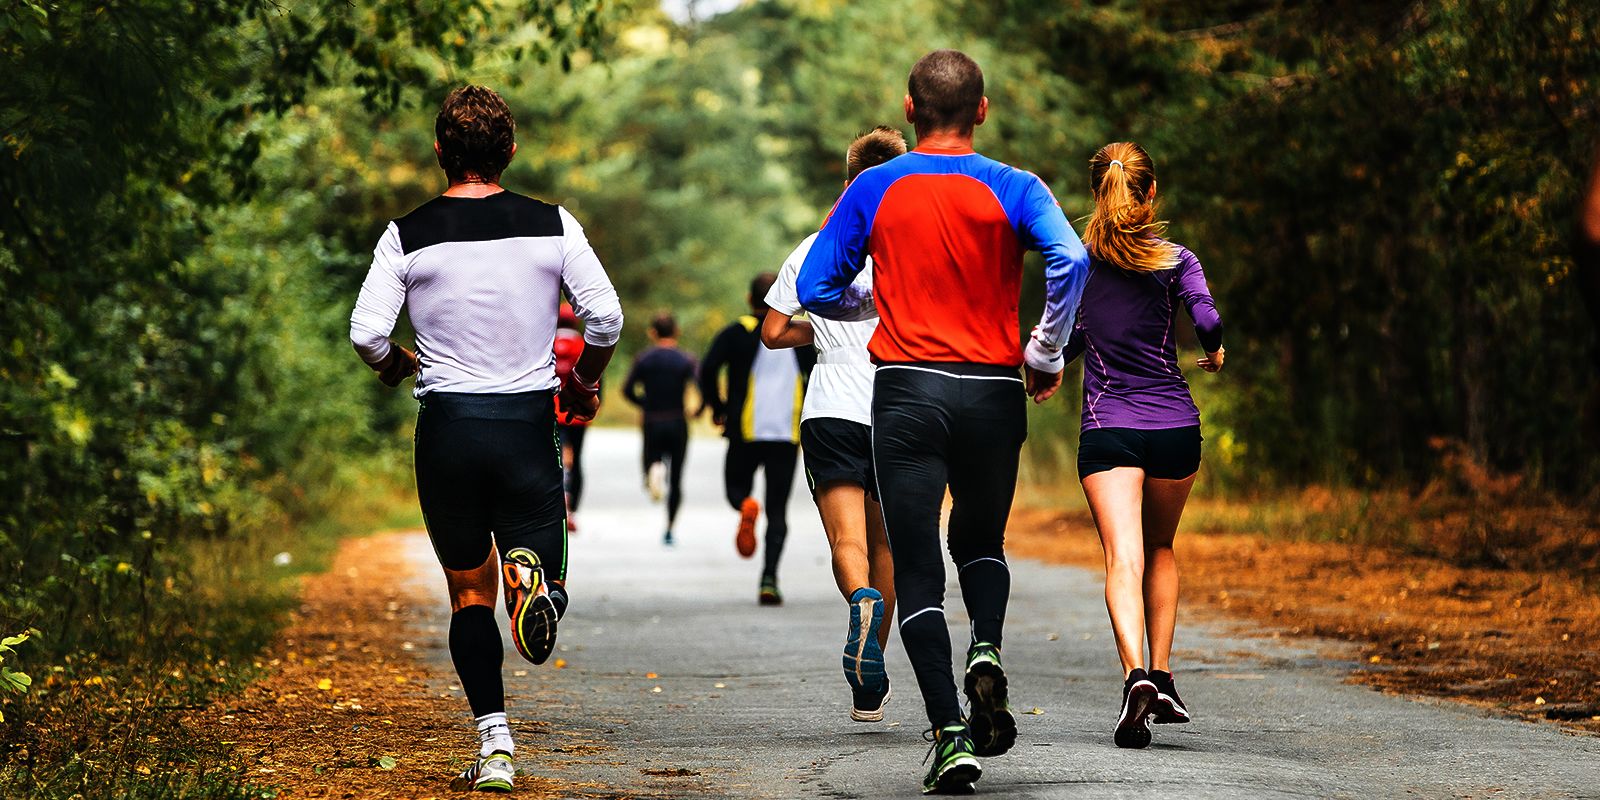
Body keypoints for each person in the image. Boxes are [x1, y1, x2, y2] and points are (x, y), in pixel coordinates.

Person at [797, 50, 1089, 794]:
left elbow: (811, 285)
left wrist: (876, 305)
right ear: (982, 110)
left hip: (907, 394)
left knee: (918, 564)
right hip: (992, 390)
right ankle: (984, 648)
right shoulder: (1017, 187)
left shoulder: (874, 186)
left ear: (908, 108)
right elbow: (1072, 259)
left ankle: (950, 734)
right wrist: (1046, 350)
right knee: (982, 542)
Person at [348, 85, 622, 792]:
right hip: (526, 422)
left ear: (440, 151)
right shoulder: (552, 224)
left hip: (449, 429)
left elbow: (365, 332)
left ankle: (495, 745)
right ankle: (541, 590)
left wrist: (397, 366)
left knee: (469, 597)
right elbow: (607, 317)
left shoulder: (405, 233)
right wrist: (584, 380)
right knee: (543, 563)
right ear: (510, 151)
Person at [1063, 142, 1224, 749]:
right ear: (1150, 192)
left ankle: (1135, 677)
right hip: (1174, 426)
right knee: (1160, 547)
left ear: (1097, 191)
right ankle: (1162, 671)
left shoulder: (1078, 263)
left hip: (1109, 429)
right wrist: (1213, 351)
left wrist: (1041, 371)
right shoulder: (1177, 259)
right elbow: (1206, 321)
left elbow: (1067, 337)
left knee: (1122, 558)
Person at [762, 125, 906, 723]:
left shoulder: (816, 245)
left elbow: (772, 332)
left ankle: (860, 601)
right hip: (897, 408)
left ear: (847, 180)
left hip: (829, 409)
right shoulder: (907, 249)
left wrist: (819, 332)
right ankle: (871, 669)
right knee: (887, 544)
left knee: (847, 543)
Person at [699, 275, 815, 605]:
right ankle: (769, 579)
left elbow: (708, 368)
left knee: (735, 489)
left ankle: (745, 506)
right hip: (787, 433)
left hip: (744, 431)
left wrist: (718, 407)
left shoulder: (737, 331)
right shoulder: (802, 333)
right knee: (777, 510)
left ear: (751, 300)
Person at [623, 312, 698, 545]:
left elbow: (627, 390)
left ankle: (653, 469)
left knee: (650, 459)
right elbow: (702, 387)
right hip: (677, 420)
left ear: (652, 333)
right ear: (676, 332)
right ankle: (669, 527)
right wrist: (698, 410)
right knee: (676, 480)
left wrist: (643, 404)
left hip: (652, 420)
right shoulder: (686, 360)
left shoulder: (644, 359)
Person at [553, 305, 592, 531]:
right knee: (576, 461)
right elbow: (593, 375)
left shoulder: (546, 343)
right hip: (576, 413)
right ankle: (573, 509)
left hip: (549, 413)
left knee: (550, 459)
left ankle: (553, 507)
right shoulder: (582, 345)